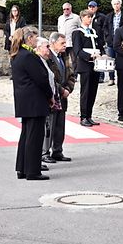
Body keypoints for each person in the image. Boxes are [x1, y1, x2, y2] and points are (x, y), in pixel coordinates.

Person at [11, 27, 51, 180]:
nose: (36, 40)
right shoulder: (28, 56)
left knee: (26, 135)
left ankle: (22, 168)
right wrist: (50, 95)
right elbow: (41, 78)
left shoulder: (18, 54)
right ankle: (32, 171)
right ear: (29, 38)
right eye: (35, 37)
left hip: (25, 101)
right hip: (34, 101)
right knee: (34, 137)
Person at [42, 32, 73, 163]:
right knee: (50, 125)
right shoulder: (48, 57)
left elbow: (71, 74)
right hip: (54, 96)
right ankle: (45, 152)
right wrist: (61, 90)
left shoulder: (64, 56)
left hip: (63, 97)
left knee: (60, 126)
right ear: (53, 44)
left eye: (65, 43)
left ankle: (57, 150)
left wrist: (68, 89)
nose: (65, 45)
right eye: (62, 43)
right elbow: (50, 78)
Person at [70, 9, 103, 127]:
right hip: (85, 65)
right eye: (88, 17)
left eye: (91, 17)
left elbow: (99, 45)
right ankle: (83, 116)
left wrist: (102, 54)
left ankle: (89, 116)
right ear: (82, 18)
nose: (90, 19)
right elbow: (77, 50)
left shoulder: (94, 31)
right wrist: (90, 56)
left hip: (95, 65)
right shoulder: (77, 32)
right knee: (85, 92)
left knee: (93, 91)